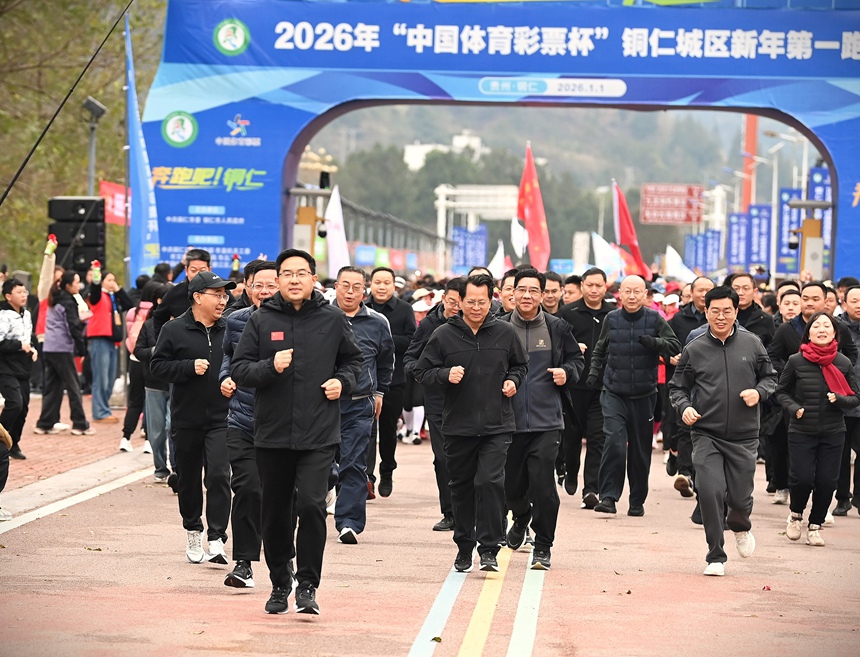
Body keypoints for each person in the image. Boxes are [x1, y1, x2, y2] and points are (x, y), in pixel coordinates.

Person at [231, 249, 362, 616]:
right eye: (286, 273)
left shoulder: (332, 319)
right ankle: (279, 581)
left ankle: (307, 584)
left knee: (311, 505)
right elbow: (240, 369)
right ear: (279, 279)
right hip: (271, 434)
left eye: (300, 273)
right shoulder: (261, 320)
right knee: (274, 513)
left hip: (319, 433)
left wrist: (342, 381)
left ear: (312, 279)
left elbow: (355, 362)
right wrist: (270, 366)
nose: (293, 279)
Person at [415, 273, 528, 574]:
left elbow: (521, 364)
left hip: (497, 424)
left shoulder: (505, 332)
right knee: (462, 486)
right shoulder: (443, 335)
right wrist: (444, 375)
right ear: (460, 301)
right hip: (458, 426)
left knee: (490, 482)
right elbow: (421, 371)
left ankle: (489, 548)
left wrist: (513, 380)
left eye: (482, 301)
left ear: (491, 300)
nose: (476, 307)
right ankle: (464, 546)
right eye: (470, 302)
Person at [669, 286, 777, 576]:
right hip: (707, 433)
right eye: (714, 311)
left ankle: (741, 526)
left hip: (743, 436)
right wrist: (685, 408)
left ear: (736, 311)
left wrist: (758, 392)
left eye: (726, 310)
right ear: (705, 312)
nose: (720, 316)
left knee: (740, 499)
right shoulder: (695, 348)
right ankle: (715, 554)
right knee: (709, 491)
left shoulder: (753, 344)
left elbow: (770, 379)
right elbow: (678, 387)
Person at [500, 269, 583, 571]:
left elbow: (577, 361)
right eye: (521, 290)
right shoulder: (497, 328)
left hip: (547, 421)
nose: (526, 296)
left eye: (534, 291)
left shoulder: (557, 327)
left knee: (543, 486)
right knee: (511, 488)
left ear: (544, 294)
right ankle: (521, 517)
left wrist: (567, 373)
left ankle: (543, 545)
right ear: (511, 292)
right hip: (507, 422)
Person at [151, 271, 234, 567]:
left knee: (220, 476)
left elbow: (242, 362)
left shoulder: (231, 328)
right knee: (187, 480)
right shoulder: (174, 330)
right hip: (186, 419)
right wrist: (187, 367)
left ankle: (216, 536)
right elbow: (157, 366)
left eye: (225, 295)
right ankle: (192, 529)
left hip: (223, 418)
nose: (223, 301)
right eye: (217, 295)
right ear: (198, 297)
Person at [586, 275, 681, 516]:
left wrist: (655, 343)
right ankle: (608, 497)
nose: (631, 296)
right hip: (614, 392)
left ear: (645, 295)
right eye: (626, 291)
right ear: (619, 294)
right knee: (615, 443)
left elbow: (674, 346)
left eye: (636, 292)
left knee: (639, 452)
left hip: (644, 394)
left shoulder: (654, 319)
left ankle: (637, 500)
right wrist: (593, 375)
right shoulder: (612, 318)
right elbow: (600, 350)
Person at [776, 311, 860, 546]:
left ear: (835, 333)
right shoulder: (796, 361)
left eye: (827, 326)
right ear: (808, 333)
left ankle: (815, 525)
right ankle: (795, 515)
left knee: (827, 482)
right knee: (801, 478)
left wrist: (840, 400)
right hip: (801, 430)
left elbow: (856, 396)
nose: (822, 329)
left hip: (833, 432)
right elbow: (781, 391)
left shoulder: (842, 362)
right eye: (816, 326)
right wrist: (793, 408)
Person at [218, 261, 278, 588]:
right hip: (242, 419)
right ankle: (243, 562)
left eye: (271, 285)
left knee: (281, 496)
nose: (265, 292)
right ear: (247, 287)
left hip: (283, 424)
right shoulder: (235, 322)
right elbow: (228, 359)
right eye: (258, 285)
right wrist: (225, 378)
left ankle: (282, 562)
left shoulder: (302, 323)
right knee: (246, 487)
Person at [332, 266, 394, 545]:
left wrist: (379, 392)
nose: (350, 291)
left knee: (354, 463)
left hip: (360, 404)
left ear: (364, 290)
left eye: (356, 287)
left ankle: (349, 522)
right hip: (321, 404)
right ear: (335, 286)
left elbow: (385, 361)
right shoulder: (321, 317)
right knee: (320, 464)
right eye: (345, 285)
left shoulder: (377, 322)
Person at [404, 277, 462, 532]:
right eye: (452, 302)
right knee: (443, 458)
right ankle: (450, 512)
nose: (457, 308)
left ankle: (474, 511)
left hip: (475, 401)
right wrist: (424, 375)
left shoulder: (486, 324)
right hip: (439, 400)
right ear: (443, 298)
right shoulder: (430, 323)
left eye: (463, 303)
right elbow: (411, 358)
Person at [558, 267, 613, 508]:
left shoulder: (613, 316)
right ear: (582, 286)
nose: (593, 290)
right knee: (570, 436)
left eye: (598, 285)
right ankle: (571, 472)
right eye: (589, 285)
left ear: (605, 287)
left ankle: (592, 489)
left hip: (602, 387)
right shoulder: (567, 313)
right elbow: (554, 345)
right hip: (574, 386)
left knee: (597, 437)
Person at [365, 266, 415, 498]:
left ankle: (387, 470)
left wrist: (381, 339)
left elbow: (411, 341)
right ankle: (367, 478)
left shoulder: (404, 309)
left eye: (387, 282)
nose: (382, 286)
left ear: (394, 285)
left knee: (387, 429)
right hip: (364, 380)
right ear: (371, 284)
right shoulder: (362, 308)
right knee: (365, 431)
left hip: (393, 380)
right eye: (377, 282)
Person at [665, 276, 714, 498]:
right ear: (691, 293)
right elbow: (666, 344)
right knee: (684, 427)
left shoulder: (723, 318)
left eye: (708, 290)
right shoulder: (678, 320)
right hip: (684, 381)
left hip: (712, 385)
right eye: (700, 290)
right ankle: (685, 473)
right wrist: (670, 357)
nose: (704, 294)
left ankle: (689, 467)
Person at [35, 271, 90, 436]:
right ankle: (80, 424)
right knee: (73, 385)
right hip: (62, 347)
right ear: (68, 285)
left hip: (50, 346)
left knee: (53, 386)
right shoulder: (68, 301)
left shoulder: (55, 298)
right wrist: (82, 349)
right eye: (76, 282)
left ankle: (44, 423)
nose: (78, 285)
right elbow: (72, 326)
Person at [133, 284, 174, 485]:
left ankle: (177, 468)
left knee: (172, 426)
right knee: (156, 431)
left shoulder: (182, 324)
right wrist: (154, 351)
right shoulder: (149, 325)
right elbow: (137, 351)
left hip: (177, 383)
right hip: (154, 384)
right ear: (159, 301)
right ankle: (160, 467)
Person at [87, 265, 134, 426]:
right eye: (109, 280)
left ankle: (104, 408)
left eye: (114, 280)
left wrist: (119, 289)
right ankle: (99, 411)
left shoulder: (114, 297)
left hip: (113, 340)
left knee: (110, 378)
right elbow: (93, 291)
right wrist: (96, 276)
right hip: (99, 338)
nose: (112, 282)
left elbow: (130, 304)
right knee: (101, 378)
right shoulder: (98, 295)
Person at [0, 279, 38, 462]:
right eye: (19, 292)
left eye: (25, 292)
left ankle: (13, 443)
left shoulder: (27, 314)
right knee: (14, 403)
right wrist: (19, 345)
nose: (24, 295)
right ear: (8, 296)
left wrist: (32, 348)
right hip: (5, 365)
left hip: (23, 365)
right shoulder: (3, 315)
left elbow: (29, 338)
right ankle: (2, 440)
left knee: (23, 408)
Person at [838, 286, 860, 515]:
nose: (859, 305)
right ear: (845, 304)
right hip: (842, 402)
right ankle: (842, 498)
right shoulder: (835, 328)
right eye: (854, 300)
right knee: (841, 455)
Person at [153, 248, 211, 336]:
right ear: (186, 270)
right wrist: (163, 342)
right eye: (193, 270)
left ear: (209, 270)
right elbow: (159, 317)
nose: (198, 275)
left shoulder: (220, 291)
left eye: (202, 270)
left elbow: (233, 313)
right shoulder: (174, 293)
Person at [729, 273, 775, 347]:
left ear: (755, 292)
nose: (740, 293)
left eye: (746, 288)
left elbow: (771, 350)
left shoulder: (766, 319)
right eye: (736, 289)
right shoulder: (723, 317)